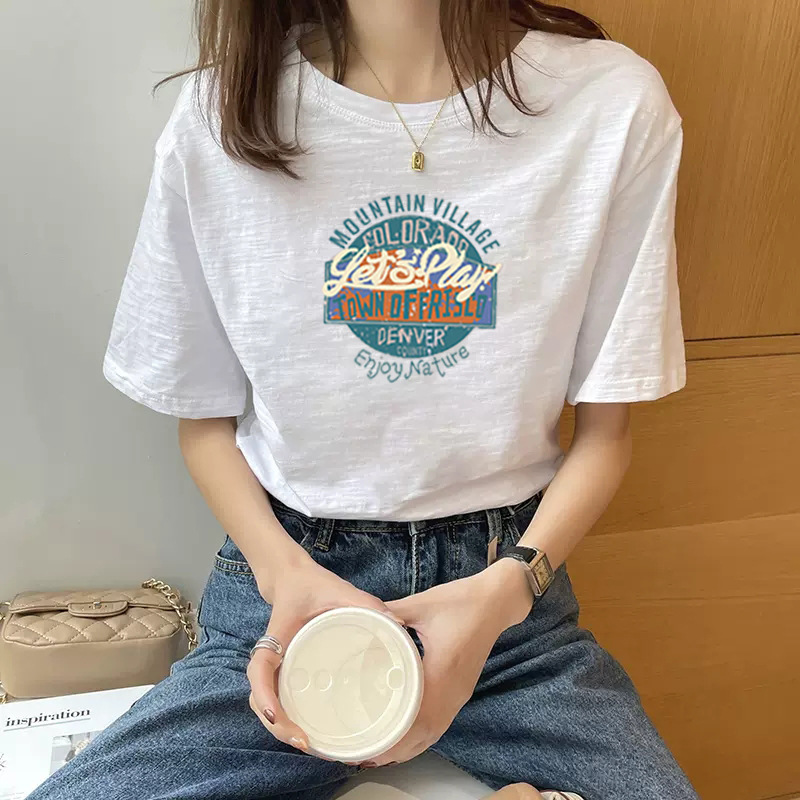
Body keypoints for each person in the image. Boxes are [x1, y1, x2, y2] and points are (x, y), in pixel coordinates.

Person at [31, 1, 701, 799]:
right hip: (285, 592)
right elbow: (202, 424)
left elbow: (607, 437)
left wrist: (504, 595)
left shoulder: (611, 105)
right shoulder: (221, 115)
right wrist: (284, 576)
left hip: (509, 608)